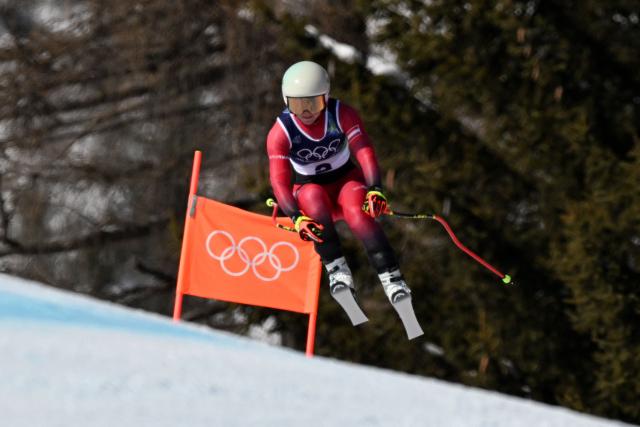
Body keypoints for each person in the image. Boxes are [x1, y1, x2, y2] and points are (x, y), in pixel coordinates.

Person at [266, 60, 412, 304]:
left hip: (346, 181)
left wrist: (375, 188)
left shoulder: (340, 114)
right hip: (309, 188)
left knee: (358, 212)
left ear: (326, 97)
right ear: (285, 101)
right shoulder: (280, 133)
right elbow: (279, 182)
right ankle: (337, 270)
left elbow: (364, 151)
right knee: (313, 202)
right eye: (297, 104)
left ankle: (391, 277)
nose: (306, 112)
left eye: (313, 103)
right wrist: (295, 217)